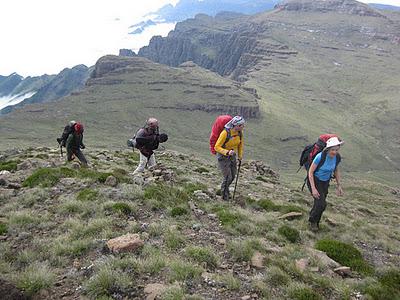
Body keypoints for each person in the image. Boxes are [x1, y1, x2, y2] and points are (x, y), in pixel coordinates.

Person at [307, 136, 344, 231]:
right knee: (321, 204)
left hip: (325, 182)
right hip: (315, 180)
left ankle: (315, 222)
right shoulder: (320, 157)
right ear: (327, 149)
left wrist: (339, 185)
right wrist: (313, 188)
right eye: (332, 150)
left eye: (336, 150)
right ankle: (312, 221)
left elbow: (336, 170)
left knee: (319, 204)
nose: (334, 152)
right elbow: (310, 172)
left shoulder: (337, 158)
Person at [214, 116, 245, 201]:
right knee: (228, 177)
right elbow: (216, 147)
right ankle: (224, 197)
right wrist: (226, 152)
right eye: (242, 125)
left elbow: (240, 145)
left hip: (232, 156)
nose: (243, 126)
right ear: (236, 125)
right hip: (223, 157)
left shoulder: (240, 133)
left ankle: (225, 191)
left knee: (233, 176)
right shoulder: (225, 133)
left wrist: (240, 156)